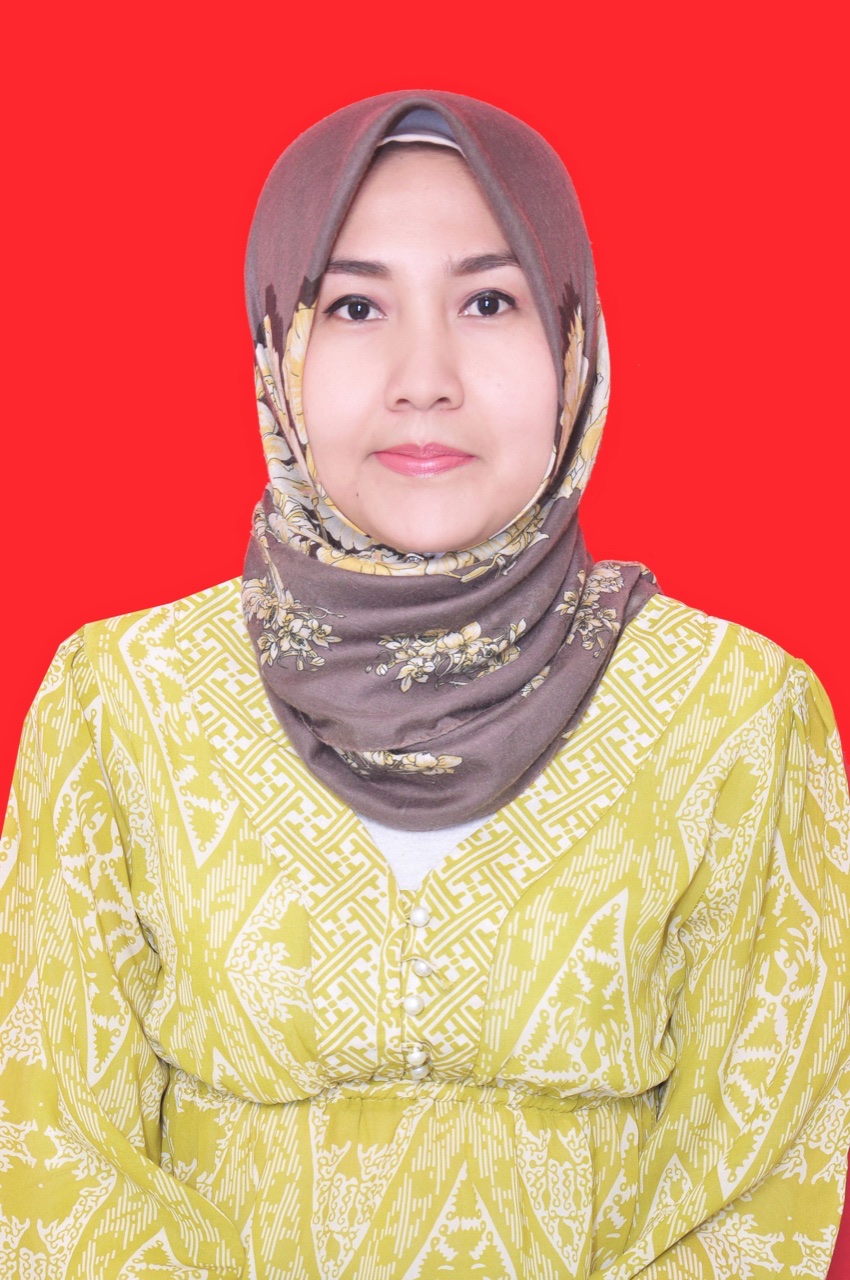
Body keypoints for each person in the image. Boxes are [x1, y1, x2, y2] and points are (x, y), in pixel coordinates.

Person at [1, 89, 849, 1280]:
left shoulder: (738, 713)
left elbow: (758, 1177)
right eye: (355, 305)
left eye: (488, 301)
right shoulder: (119, 700)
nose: (424, 377)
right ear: (276, 347)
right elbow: (50, 1149)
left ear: (573, 342)